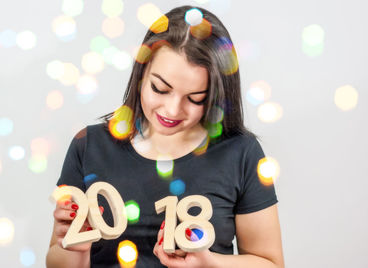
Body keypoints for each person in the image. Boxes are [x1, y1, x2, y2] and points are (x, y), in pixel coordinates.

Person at [46, 5, 284, 268]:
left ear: (216, 95)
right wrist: (75, 248)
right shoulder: (89, 146)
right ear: (141, 74)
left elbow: (271, 263)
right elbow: (57, 260)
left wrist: (210, 264)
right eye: (160, 89)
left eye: (195, 99)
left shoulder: (241, 153)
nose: (172, 110)